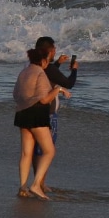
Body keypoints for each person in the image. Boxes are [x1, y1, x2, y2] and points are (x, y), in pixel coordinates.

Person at [14, 48, 71, 200]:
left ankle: (23, 187)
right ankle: (36, 184)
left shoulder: (23, 72)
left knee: (26, 153)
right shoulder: (40, 73)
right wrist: (58, 89)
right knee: (49, 151)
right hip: (37, 115)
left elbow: (16, 94)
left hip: (21, 114)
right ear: (44, 60)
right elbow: (45, 100)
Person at [31, 36, 78, 190]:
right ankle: (40, 183)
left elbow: (50, 76)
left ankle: (38, 181)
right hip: (48, 113)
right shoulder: (49, 69)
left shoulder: (34, 66)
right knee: (46, 150)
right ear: (49, 51)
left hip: (32, 110)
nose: (55, 51)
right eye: (54, 49)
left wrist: (57, 63)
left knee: (35, 149)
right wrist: (75, 70)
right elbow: (69, 84)